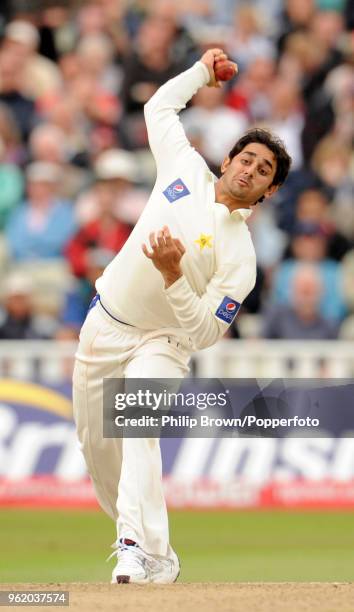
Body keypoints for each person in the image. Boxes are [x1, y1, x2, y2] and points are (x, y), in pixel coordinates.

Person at [72, 48, 291, 585]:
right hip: (106, 324)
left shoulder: (241, 256)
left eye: (264, 170)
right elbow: (157, 110)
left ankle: (131, 548)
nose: (251, 169)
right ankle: (158, 554)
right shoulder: (184, 167)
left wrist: (173, 277)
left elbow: (203, 332)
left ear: (270, 191)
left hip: (165, 344)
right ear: (228, 161)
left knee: (136, 428)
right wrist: (199, 74)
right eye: (247, 159)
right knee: (98, 451)